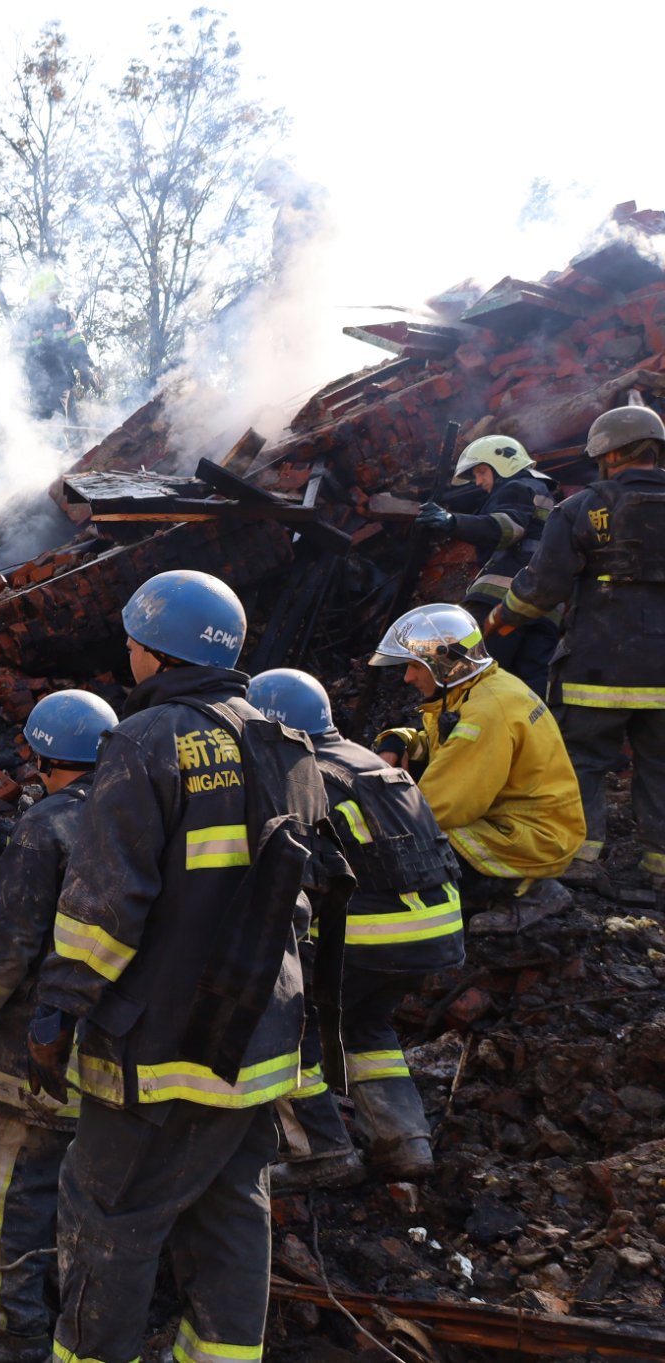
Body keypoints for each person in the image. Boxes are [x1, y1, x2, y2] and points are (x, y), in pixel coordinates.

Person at [31, 570, 338, 1363]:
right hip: (261, 1038)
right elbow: (303, 896)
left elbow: (105, 902)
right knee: (233, 1209)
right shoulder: (285, 740)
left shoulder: (143, 742)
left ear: (154, 651)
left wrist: (58, 1007)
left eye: (132, 640)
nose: (126, 651)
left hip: (160, 1047)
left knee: (107, 1215)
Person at [0, 688, 113, 1363]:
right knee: (91, 1203)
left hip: (32, 1058)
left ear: (42, 756)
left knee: (5, 1200)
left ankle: (7, 1338)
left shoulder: (48, 827)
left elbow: (5, 943)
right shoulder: (150, 820)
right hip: (124, 1059)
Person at [249, 668, 463, 1187]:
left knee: (288, 1030)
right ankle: (405, 1143)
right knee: (365, 1025)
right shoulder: (369, 761)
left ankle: (320, 1152)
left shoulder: (303, 775)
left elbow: (297, 873)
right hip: (439, 929)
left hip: (371, 934)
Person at [492, 403, 665, 891]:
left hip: (598, 670)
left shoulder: (582, 509)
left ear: (608, 456)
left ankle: (581, 860)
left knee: (582, 760)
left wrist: (500, 617)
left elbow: (543, 589)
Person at [370, 603, 583, 932]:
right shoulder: (476, 689)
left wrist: (370, 827)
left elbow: (441, 807)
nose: (408, 676)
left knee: (413, 851)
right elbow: (441, 741)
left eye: (414, 665)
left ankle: (528, 891)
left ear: (445, 661)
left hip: (530, 839)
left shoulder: (487, 712)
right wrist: (399, 742)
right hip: (526, 825)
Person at [415, 435, 561, 696]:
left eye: (482, 472)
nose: (480, 482)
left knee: (468, 672)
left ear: (504, 463)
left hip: (499, 606)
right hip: (545, 614)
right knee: (529, 692)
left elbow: (507, 526)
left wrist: (452, 521)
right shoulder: (546, 496)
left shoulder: (516, 488)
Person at [19, 273, 95, 421]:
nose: (56, 298)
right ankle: (45, 441)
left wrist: (85, 368)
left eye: (57, 294)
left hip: (60, 377)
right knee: (40, 418)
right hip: (36, 380)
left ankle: (57, 440)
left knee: (56, 415)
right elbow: (15, 356)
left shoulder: (63, 317)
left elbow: (76, 343)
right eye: (53, 294)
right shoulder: (25, 324)